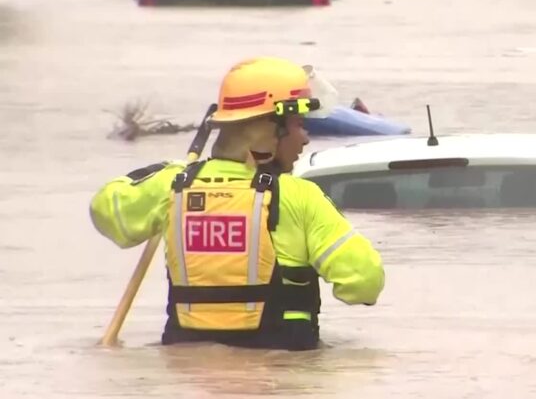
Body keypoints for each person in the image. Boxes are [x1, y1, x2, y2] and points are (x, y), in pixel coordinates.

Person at [89, 56, 385, 351]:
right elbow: (364, 283)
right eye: (298, 124)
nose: (306, 138)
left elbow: (105, 210)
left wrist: (163, 173)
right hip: (283, 377)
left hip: (189, 377)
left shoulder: (173, 185)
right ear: (269, 131)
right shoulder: (300, 197)